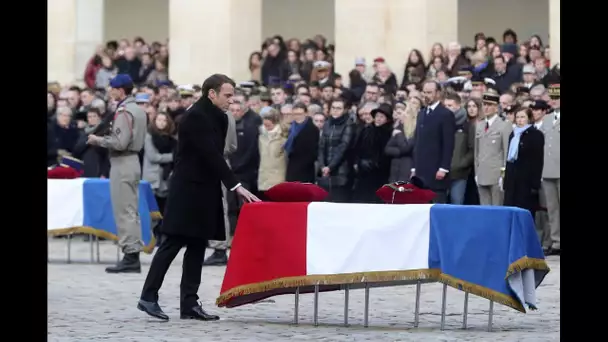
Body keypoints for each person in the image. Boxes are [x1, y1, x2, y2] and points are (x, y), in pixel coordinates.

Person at [138, 74, 259, 321]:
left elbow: (218, 154)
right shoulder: (194, 117)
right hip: (187, 189)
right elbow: (210, 154)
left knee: (196, 246)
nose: (231, 99)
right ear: (211, 94)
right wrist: (236, 185)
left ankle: (189, 303)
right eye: (227, 95)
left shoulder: (221, 117)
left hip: (206, 188)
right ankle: (148, 297)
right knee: (172, 243)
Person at [86, 74, 147, 273]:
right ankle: (132, 252)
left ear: (120, 90)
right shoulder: (137, 109)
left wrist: (98, 140)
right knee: (131, 209)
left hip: (123, 161)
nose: (110, 91)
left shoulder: (124, 111)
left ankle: (130, 255)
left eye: (112, 88)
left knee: (124, 210)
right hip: (132, 161)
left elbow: (119, 142)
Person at [411, 81, 456, 203]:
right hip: (420, 172)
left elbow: (448, 144)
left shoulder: (445, 114)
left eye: (429, 92)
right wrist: (414, 167)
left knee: (437, 206)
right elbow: (417, 142)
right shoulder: (422, 113)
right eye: (424, 92)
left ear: (438, 93)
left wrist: (443, 168)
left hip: (436, 171)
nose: (426, 95)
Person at [502, 108, 544, 216]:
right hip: (512, 179)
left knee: (525, 210)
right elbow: (509, 159)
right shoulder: (513, 134)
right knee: (510, 209)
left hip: (526, 180)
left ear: (529, 119)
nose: (519, 120)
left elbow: (538, 160)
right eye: (517, 117)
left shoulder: (536, 135)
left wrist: (535, 184)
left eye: (523, 117)